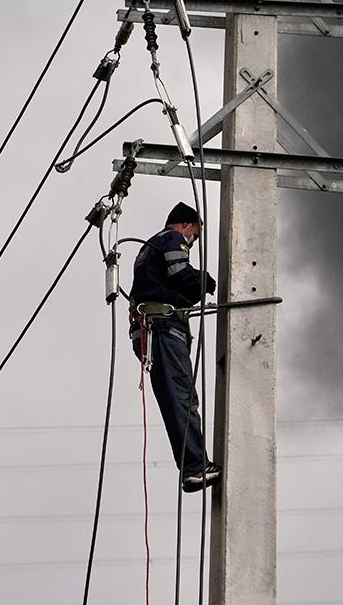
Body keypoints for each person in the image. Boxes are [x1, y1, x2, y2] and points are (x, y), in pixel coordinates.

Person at [129, 202, 221, 493]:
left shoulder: (146, 250)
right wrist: (205, 281)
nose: (193, 241)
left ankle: (193, 465)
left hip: (154, 330)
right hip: (165, 329)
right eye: (195, 234)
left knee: (179, 398)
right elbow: (181, 272)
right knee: (181, 399)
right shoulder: (171, 239)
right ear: (186, 226)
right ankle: (195, 467)